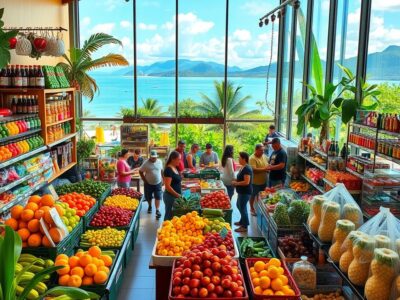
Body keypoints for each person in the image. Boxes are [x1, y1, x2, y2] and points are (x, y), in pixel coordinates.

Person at [232, 152, 253, 233]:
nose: (238, 159)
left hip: (245, 192)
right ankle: (242, 221)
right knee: (238, 205)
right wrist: (236, 181)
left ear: (244, 159)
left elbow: (246, 182)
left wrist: (236, 183)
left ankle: (245, 226)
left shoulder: (247, 168)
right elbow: (241, 179)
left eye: (239, 158)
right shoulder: (243, 167)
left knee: (243, 207)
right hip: (241, 191)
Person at [139, 150, 163, 219]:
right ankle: (150, 206)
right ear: (150, 157)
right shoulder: (146, 163)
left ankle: (157, 210)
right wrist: (144, 180)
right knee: (148, 196)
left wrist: (163, 179)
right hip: (148, 183)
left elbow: (161, 170)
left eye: (155, 157)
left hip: (158, 182)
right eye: (152, 157)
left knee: (158, 196)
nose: (154, 159)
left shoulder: (160, 161)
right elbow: (140, 171)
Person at [249, 144, 269, 216]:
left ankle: (260, 209)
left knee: (262, 195)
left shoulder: (264, 156)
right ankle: (252, 209)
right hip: (255, 182)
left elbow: (268, 164)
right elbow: (254, 170)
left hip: (263, 181)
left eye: (263, 150)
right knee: (253, 195)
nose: (262, 152)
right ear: (256, 150)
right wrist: (265, 169)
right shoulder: (252, 158)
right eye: (261, 150)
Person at [163, 151, 182, 220]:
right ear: (173, 159)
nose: (180, 161)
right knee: (169, 216)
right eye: (179, 159)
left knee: (174, 217)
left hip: (175, 196)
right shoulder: (168, 170)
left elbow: (175, 182)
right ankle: (164, 229)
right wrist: (177, 195)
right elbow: (167, 187)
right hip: (170, 197)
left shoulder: (175, 168)